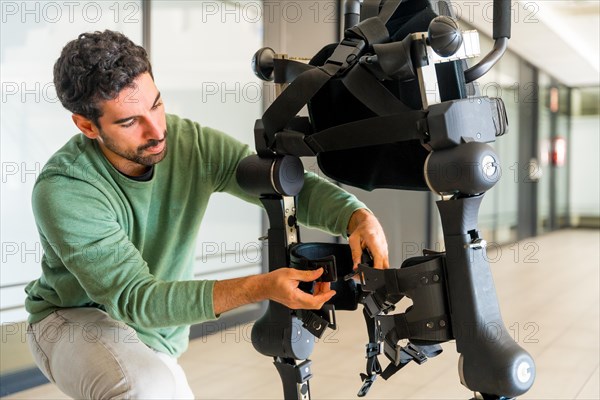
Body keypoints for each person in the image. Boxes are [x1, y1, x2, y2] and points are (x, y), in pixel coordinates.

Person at [25, 30, 389, 399]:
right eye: (129, 122)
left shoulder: (188, 143)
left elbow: (276, 182)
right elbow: (137, 298)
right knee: (147, 390)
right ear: (87, 126)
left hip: (153, 334)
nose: (156, 130)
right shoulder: (66, 188)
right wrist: (261, 287)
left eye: (156, 105)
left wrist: (355, 216)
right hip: (70, 320)